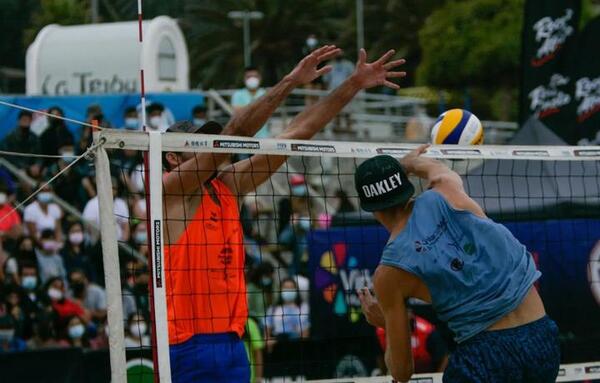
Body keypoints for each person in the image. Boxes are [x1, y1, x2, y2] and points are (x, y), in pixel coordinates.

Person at [162, 46, 406, 382]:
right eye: (196, 144)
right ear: (174, 158)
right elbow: (233, 135)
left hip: (232, 340)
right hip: (188, 344)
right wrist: (290, 81)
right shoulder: (170, 190)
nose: (208, 146)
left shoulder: (226, 187)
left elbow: (296, 134)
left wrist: (353, 84)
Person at [354, 147, 560, 382]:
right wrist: (410, 162)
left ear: (372, 210)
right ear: (406, 184)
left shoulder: (389, 273)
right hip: (542, 338)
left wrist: (385, 325)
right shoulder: (447, 188)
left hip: (487, 358)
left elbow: (401, 373)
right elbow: (434, 168)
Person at [265, 278, 310, 348]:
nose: (289, 290)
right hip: (277, 346)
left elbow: (306, 332)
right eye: (286, 287)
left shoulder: (304, 308)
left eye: (291, 288)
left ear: (296, 290)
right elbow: (267, 333)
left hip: (297, 346)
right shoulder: (273, 309)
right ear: (280, 290)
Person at [231, 66, 269, 138]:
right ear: (244, 79)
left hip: (263, 137)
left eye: (255, 76)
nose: (252, 79)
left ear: (260, 78)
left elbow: (266, 113)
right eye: (249, 77)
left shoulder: (266, 94)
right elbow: (237, 114)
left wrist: (246, 109)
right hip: (242, 137)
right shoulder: (237, 94)